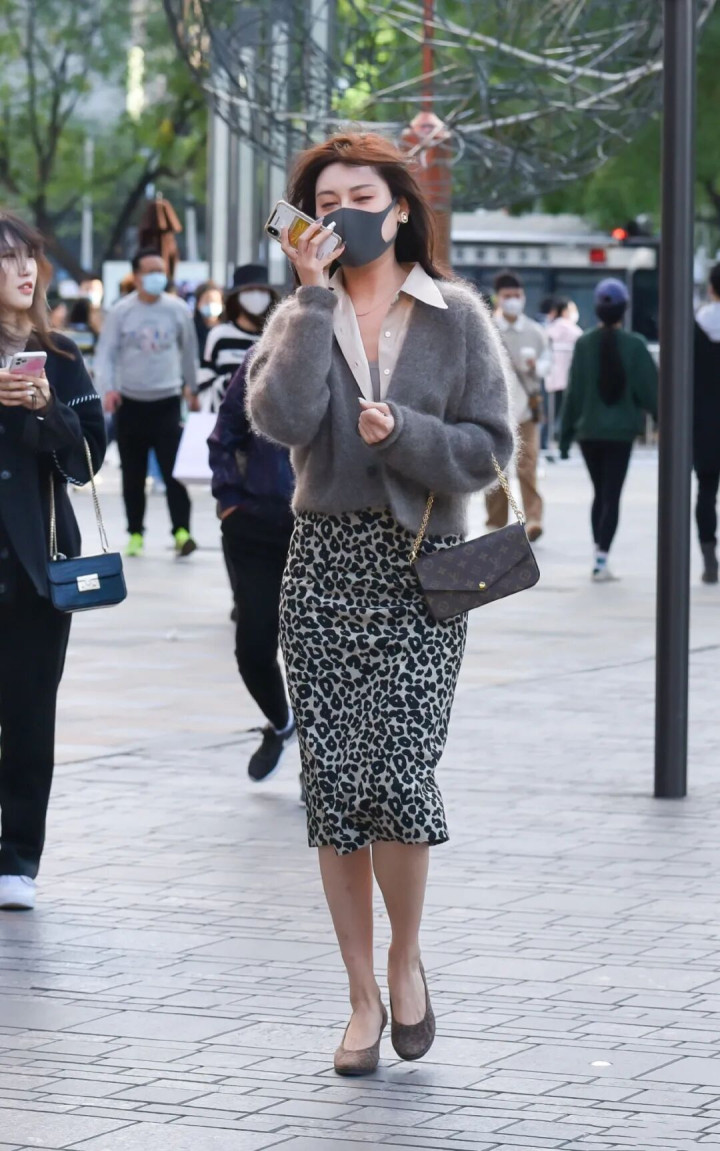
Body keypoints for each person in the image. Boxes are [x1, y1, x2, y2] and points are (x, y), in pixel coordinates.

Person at [247, 131, 513, 1076]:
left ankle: (406, 959)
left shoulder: (455, 316)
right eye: (325, 202)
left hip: (422, 567)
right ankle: (361, 994)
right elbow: (277, 418)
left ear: (399, 209)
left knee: (399, 775)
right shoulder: (301, 313)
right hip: (322, 565)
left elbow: (490, 449)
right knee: (334, 787)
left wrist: (404, 433)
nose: (343, 215)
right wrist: (311, 298)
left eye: (361, 198)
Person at [0, 210, 106, 910]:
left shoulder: (60, 355)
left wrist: (46, 410)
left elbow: (88, 459)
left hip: (39, 565)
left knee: (30, 714)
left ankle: (17, 859)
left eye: (28, 257)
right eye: (6, 259)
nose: (24, 270)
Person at [208, 347, 296, 784]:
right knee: (253, 649)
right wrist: (230, 499)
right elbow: (225, 431)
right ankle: (281, 723)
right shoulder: (266, 354)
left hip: (327, 532)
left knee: (318, 657)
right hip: (255, 525)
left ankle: (320, 768)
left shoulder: (360, 356)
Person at [94, 248, 199, 558]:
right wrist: (108, 389)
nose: (157, 276)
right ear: (137, 276)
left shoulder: (177, 309)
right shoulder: (121, 312)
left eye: (160, 270)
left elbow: (189, 352)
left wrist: (192, 388)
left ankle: (182, 531)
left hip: (167, 401)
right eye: (150, 271)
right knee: (133, 474)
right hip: (130, 403)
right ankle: (135, 533)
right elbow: (106, 354)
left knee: (173, 472)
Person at [560, 278, 657, 582]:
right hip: (620, 434)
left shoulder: (583, 344)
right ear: (624, 309)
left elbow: (573, 393)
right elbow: (650, 391)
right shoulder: (636, 345)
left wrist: (564, 438)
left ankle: (598, 555)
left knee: (599, 493)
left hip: (588, 432)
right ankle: (601, 558)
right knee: (611, 495)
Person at [486, 270, 548, 542]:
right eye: (507, 296)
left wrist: (537, 367)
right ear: (498, 298)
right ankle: (496, 522)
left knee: (528, 465)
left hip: (527, 411)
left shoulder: (535, 331)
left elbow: (548, 362)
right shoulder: (488, 328)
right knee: (497, 469)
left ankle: (533, 519)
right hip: (495, 412)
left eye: (517, 295)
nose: (513, 300)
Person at [198, 266, 277, 412]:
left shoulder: (276, 337)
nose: (256, 295)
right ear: (237, 296)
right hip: (225, 418)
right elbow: (204, 384)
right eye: (250, 290)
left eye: (261, 290)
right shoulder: (219, 335)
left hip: (265, 420)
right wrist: (234, 382)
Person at [694, 264, 720, 584]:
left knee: (706, 491)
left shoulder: (695, 326)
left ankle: (708, 555)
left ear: (711, 288)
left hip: (705, 422)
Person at [545, 297, 583, 457]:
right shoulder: (573, 330)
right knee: (567, 414)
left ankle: (546, 446)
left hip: (551, 380)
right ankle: (563, 445)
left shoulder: (549, 329)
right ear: (566, 311)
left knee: (550, 415)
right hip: (569, 380)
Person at [193, 280, 224, 359]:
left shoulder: (227, 330)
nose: (211, 304)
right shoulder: (191, 329)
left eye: (216, 301)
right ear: (198, 303)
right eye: (207, 301)